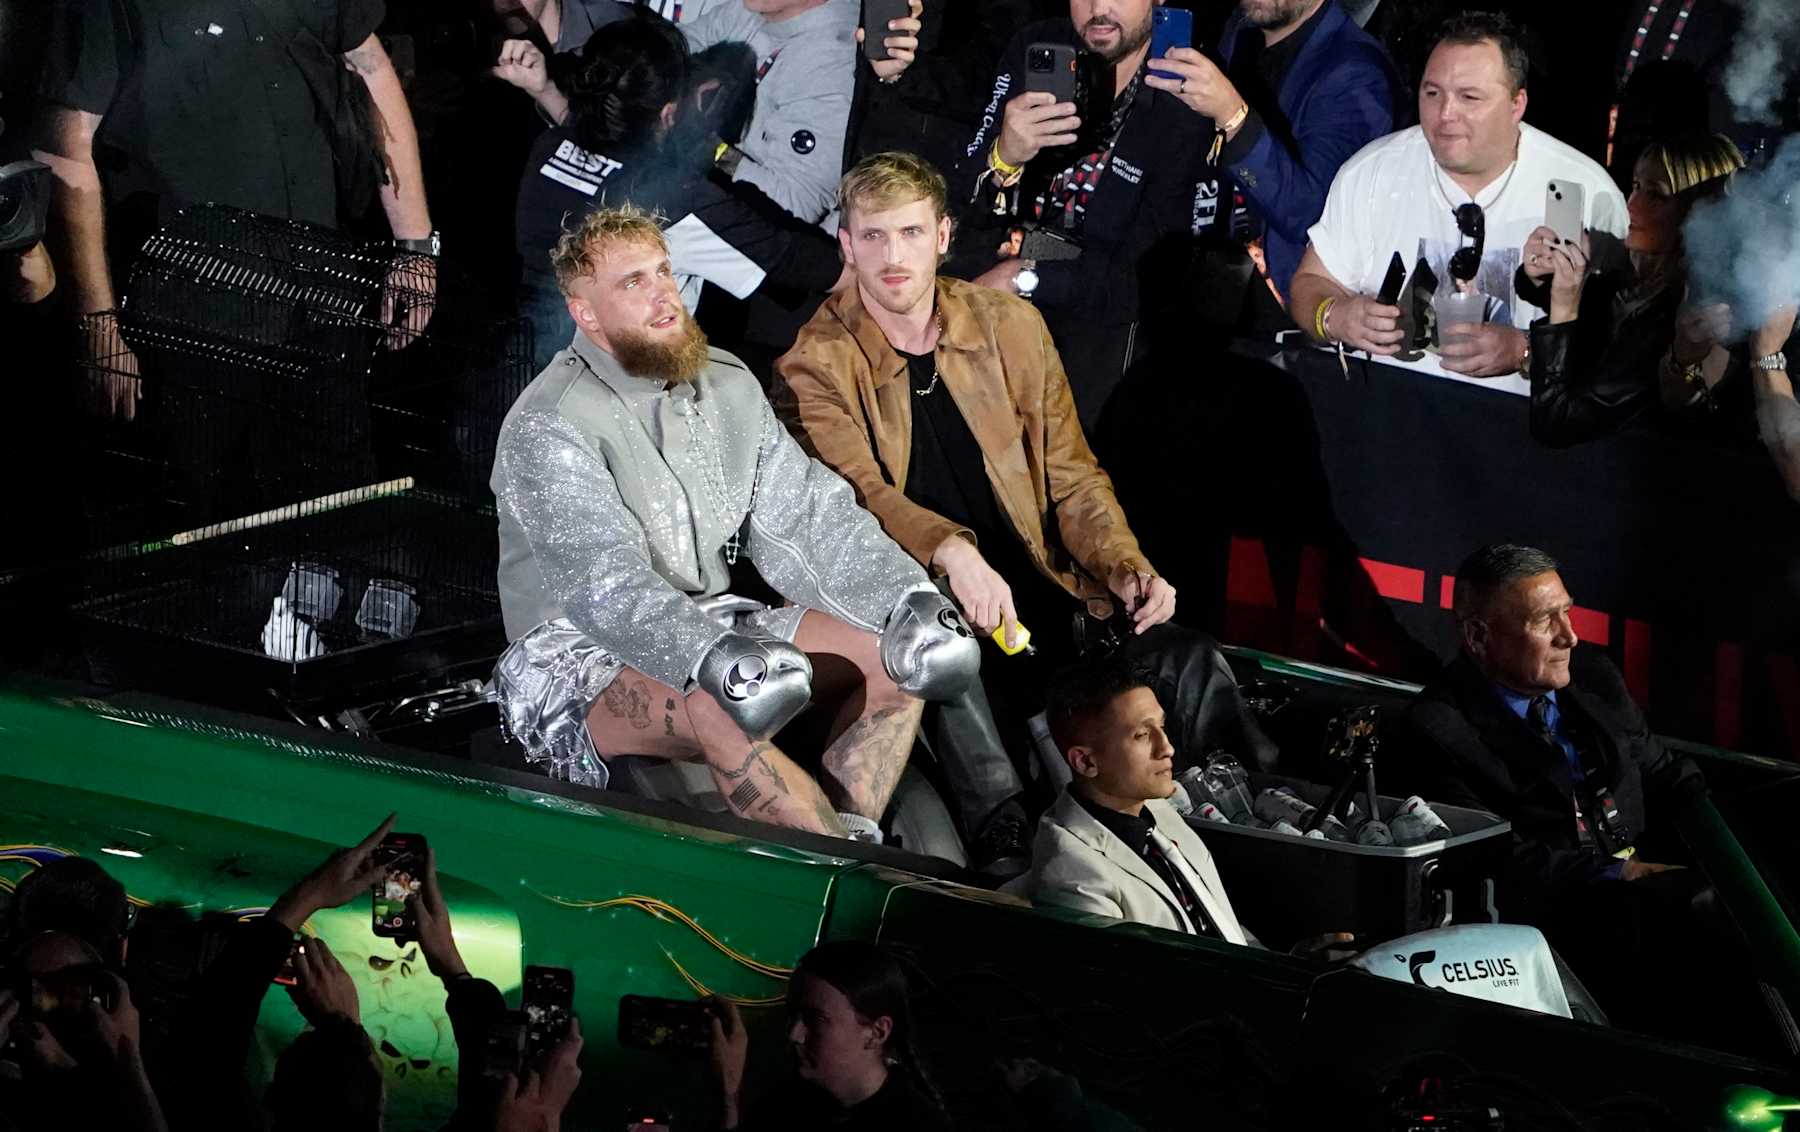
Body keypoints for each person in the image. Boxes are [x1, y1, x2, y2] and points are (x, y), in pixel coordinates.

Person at [777, 151, 1277, 821]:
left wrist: (1123, 564)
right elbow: (860, 497)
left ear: (945, 236)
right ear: (846, 244)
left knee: (1189, 662)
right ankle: (1002, 837)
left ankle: (1245, 821)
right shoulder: (812, 363)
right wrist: (955, 554)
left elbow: (1071, 475)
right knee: (953, 655)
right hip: (926, 613)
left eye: (911, 233)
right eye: (873, 236)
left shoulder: (1008, 326)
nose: (892, 255)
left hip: (1050, 601)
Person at [490, 205, 981, 841]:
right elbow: (601, 584)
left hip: (713, 624)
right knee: (721, 699)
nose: (664, 293)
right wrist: (704, 656)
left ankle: (850, 842)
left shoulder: (725, 383)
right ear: (586, 313)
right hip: (575, 655)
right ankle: (825, 879)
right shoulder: (549, 422)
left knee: (901, 655)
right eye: (633, 283)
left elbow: (807, 515)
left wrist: (904, 596)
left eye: (663, 271)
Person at [33, 0, 437, 421]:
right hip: (192, 320)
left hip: (323, 300)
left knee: (341, 482)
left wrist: (415, 246)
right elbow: (65, 143)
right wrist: (97, 324)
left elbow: (370, 67)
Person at [944, 0, 1233, 434]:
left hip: (1096, 352)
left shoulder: (1189, 89)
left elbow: (1157, 280)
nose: (1099, 9)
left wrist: (1025, 278)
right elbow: (959, 197)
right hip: (984, 325)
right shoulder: (1037, 47)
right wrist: (1004, 157)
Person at [1290, 10, 1628, 381]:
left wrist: (1524, 350)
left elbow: (1618, 349)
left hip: (1520, 427)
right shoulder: (1372, 171)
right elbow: (1311, 283)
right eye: (1432, 93)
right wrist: (1334, 316)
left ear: (1517, 104)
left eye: (1469, 97)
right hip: (1391, 414)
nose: (1445, 113)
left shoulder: (1586, 190)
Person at [509, 11, 846, 371]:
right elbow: (800, 264)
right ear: (669, 114)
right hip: (626, 390)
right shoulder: (673, 201)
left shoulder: (548, 146)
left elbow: (592, 149)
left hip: (533, 366)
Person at [1022, 657, 1358, 958]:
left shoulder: (1158, 811)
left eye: (1161, 726)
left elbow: (1214, 926)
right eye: (1141, 735)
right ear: (1085, 761)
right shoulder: (1070, 871)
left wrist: (1285, 964)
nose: (1166, 747)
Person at [1147, 0, 1398, 302]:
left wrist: (1234, 117)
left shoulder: (1356, 72)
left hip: (1288, 308)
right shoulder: (1239, 35)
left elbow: (1311, 216)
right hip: (1202, 281)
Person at [1521, 132, 1744, 445]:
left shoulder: (1673, 322)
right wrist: (1539, 274)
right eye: (1636, 186)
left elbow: (1555, 423)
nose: (1632, 203)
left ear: (1698, 213)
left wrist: (1563, 307)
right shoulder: (1631, 287)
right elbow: (1586, 301)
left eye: (1655, 195)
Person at [708, 941, 951, 1131]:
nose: (795, 1034)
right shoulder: (786, 1107)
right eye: (792, 1014)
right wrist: (729, 1094)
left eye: (816, 1019)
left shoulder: (919, 1125)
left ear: (877, 1033)